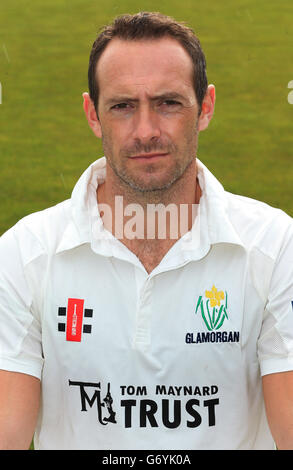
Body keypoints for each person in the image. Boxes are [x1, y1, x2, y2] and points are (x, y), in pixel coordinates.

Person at [0, 11, 293, 451]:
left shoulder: (276, 245)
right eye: (122, 107)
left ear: (206, 107)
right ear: (93, 115)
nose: (146, 131)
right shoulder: (25, 253)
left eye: (168, 103)